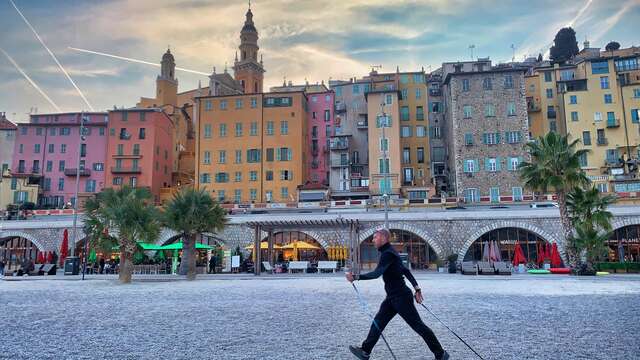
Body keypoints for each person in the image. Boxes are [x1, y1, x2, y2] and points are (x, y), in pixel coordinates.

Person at [346, 229, 449, 360]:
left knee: (418, 326)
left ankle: (440, 353)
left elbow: (377, 273)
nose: (372, 240)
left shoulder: (388, 253)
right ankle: (365, 351)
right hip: (392, 298)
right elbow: (405, 270)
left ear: (383, 238)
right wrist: (417, 288)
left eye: (375, 237)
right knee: (378, 322)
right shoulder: (390, 252)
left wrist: (356, 277)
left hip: (401, 297)